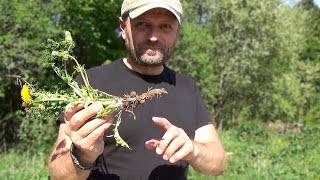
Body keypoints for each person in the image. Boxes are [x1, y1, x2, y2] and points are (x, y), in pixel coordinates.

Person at [48, 0, 226, 179]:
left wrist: (193, 150)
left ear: (177, 31)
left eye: (165, 26)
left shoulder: (187, 88)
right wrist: (83, 156)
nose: (153, 36)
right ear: (123, 27)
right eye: (142, 24)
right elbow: (58, 175)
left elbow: (218, 163)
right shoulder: (89, 84)